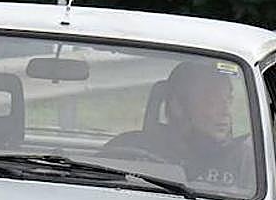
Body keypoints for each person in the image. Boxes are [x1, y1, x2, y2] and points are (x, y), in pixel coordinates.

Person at [105, 60, 254, 191]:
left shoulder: (244, 161)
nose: (225, 112)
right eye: (211, 101)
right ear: (177, 106)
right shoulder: (129, 148)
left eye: (228, 100)